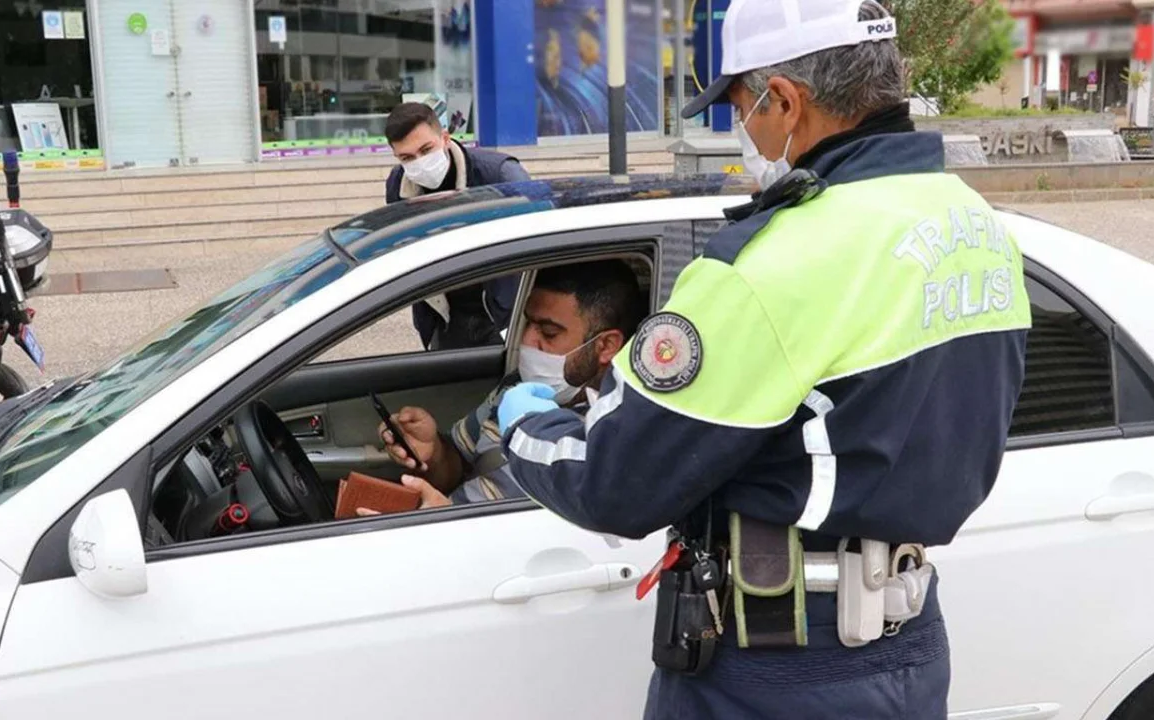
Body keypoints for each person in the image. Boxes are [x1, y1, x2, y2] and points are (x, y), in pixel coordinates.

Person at [493, 1, 1033, 718]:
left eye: (742, 108)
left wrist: (519, 419)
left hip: (779, 668)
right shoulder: (972, 222)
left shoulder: (772, 263)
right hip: (911, 648)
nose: (742, 130)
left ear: (785, 99)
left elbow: (615, 484)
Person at [367, 260, 646, 513]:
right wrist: (435, 453)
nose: (527, 341)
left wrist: (442, 520)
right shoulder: (517, 388)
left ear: (605, 346)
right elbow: (461, 464)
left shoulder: (607, 438)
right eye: (528, 323)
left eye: (548, 333)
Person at [384, 102, 531, 351]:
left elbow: (537, 245)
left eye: (426, 149)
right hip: (443, 320)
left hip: (502, 315)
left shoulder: (499, 176)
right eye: (407, 158)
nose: (419, 163)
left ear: (445, 138)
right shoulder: (399, 185)